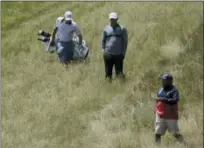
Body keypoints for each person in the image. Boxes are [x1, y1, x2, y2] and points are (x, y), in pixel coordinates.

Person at [155, 73, 184, 144]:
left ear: (170, 81)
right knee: (157, 133)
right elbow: (158, 101)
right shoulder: (160, 90)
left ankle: (184, 144)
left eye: (164, 80)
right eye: (162, 80)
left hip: (170, 116)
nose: (162, 82)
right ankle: (157, 146)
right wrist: (156, 110)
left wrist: (163, 99)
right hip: (160, 114)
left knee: (175, 133)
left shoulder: (174, 90)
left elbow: (175, 100)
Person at [101, 12, 128, 80]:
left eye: (114, 19)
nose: (112, 21)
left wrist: (124, 52)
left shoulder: (122, 29)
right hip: (108, 54)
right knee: (108, 73)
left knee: (119, 73)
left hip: (118, 54)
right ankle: (108, 86)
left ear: (117, 19)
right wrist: (103, 51)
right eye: (111, 19)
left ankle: (119, 86)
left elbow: (125, 41)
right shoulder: (106, 28)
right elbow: (103, 40)